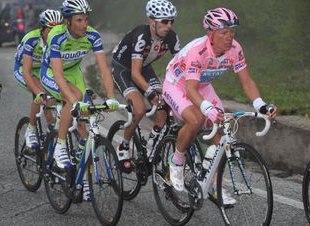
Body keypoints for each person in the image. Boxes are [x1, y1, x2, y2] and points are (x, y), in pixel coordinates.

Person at [163, 7, 278, 196]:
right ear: (211, 33)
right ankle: (176, 162)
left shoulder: (235, 49)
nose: (229, 37)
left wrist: (261, 105)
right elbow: (190, 89)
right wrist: (207, 108)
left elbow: (247, 82)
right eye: (224, 32)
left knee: (222, 131)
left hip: (202, 85)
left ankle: (213, 184)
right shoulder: (197, 51)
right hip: (178, 84)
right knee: (196, 119)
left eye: (232, 32)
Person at [40, 0, 119, 173]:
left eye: (86, 19)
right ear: (67, 21)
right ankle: (60, 145)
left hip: (74, 73)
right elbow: (59, 75)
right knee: (74, 98)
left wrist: (111, 96)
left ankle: (80, 172)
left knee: (85, 114)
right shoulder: (57, 35)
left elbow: (104, 69)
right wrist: (73, 99)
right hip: (52, 73)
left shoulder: (93, 36)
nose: (84, 25)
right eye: (79, 20)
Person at [111, 0, 180, 172]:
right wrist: (149, 92)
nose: (168, 26)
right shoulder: (142, 35)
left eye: (171, 21)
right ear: (152, 21)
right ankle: (124, 145)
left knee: (165, 105)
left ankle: (153, 141)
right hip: (124, 70)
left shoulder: (172, 37)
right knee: (140, 109)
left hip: (145, 68)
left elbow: (181, 65)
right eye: (164, 21)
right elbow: (135, 73)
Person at [14, 9, 63, 149]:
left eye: (57, 29)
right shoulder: (31, 39)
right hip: (24, 69)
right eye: (50, 29)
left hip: (43, 69)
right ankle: (31, 128)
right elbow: (27, 72)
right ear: (41, 29)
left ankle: (50, 133)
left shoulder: (58, 40)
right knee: (40, 92)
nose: (54, 33)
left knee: (52, 98)